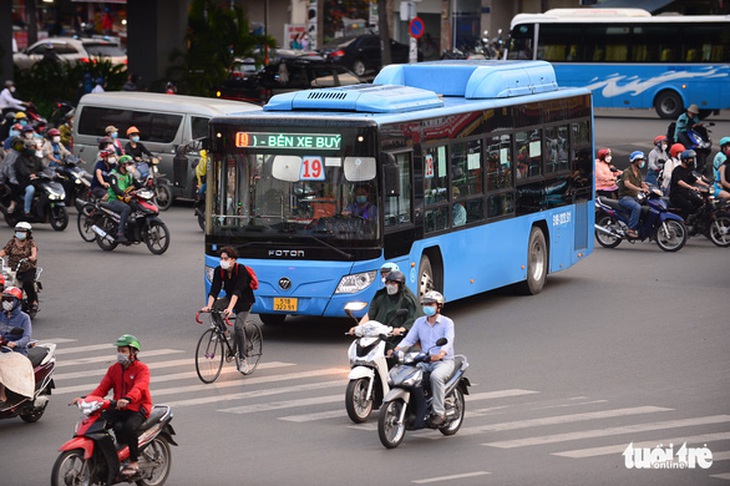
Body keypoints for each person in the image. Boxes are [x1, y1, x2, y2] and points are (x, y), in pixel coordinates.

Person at [72, 335, 152, 478]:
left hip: (137, 408)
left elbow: (140, 387)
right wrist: (86, 399)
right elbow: (102, 389)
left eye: (124, 351)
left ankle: (134, 461)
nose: (120, 354)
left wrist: (128, 398)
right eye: (119, 351)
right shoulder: (114, 369)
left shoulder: (142, 369)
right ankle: (110, 454)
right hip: (118, 407)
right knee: (97, 423)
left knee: (128, 427)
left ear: (133, 352)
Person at [393, 290, 454, 426]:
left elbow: (449, 341)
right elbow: (409, 339)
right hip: (424, 360)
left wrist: (441, 354)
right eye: (425, 304)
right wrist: (396, 350)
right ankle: (414, 409)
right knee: (408, 376)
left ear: (439, 306)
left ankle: (439, 413)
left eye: (431, 304)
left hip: (443, 362)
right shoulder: (419, 322)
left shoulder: (447, 323)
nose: (427, 306)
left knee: (436, 377)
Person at [201, 246, 256, 373]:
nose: (223, 261)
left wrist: (230, 308)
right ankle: (225, 332)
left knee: (238, 327)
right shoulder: (219, 270)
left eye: (226, 258)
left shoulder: (241, 270)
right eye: (221, 258)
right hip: (229, 297)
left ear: (233, 260)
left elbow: (238, 291)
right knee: (214, 310)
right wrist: (208, 306)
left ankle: (243, 359)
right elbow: (214, 290)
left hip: (244, 300)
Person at [349, 270, 422, 355]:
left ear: (400, 285)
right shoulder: (381, 296)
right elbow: (370, 314)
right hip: (378, 334)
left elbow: (414, 317)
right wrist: (358, 327)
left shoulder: (407, 299)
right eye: (388, 282)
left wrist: (402, 329)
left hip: (397, 336)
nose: (390, 285)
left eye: (393, 283)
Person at [0, 286, 33, 407]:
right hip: (2, 348)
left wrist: (15, 343)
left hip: (16, 352)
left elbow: (27, 337)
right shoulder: (1, 315)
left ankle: (2, 395)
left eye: (10, 300)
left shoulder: (24, 318)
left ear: (17, 301)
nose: (6, 303)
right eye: (4, 299)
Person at [0, 222, 39, 312]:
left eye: (23, 231)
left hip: (27, 268)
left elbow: (34, 253)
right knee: (2, 282)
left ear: (28, 233)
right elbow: (4, 251)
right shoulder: (12, 242)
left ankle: (32, 301)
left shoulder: (31, 243)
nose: (20, 233)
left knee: (27, 282)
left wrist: (32, 257)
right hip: (12, 269)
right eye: (18, 231)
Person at [107, 155, 140, 242]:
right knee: (126, 208)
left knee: (137, 206)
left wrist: (146, 187)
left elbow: (136, 183)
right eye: (128, 164)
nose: (130, 166)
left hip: (125, 198)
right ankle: (120, 232)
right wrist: (122, 193)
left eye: (131, 164)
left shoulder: (129, 175)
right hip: (114, 199)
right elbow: (115, 188)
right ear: (122, 165)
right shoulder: (114, 174)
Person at [617, 151, 650, 238]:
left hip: (634, 197)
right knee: (637, 207)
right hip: (625, 198)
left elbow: (642, 183)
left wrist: (648, 188)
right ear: (635, 161)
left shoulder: (638, 172)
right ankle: (630, 229)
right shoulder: (627, 172)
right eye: (641, 160)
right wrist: (639, 189)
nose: (642, 162)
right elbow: (627, 184)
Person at [670, 149, 710, 220]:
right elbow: (679, 181)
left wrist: (707, 185)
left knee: (699, 202)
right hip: (676, 195)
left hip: (686, 193)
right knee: (688, 206)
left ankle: (695, 220)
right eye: (691, 159)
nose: (693, 161)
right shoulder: (677, 170)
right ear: (685, 160)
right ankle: (683, 221)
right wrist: (691, 187)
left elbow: (695, 179)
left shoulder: (688, 170)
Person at [16, 139, 44, 218]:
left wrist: (53, 173)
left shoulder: (37, 159)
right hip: (25, 182)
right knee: (30, 190)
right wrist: (30, 175)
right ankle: (27, 211)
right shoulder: (21, 159)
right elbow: (23, 170)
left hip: (37, 181)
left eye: (33, 147)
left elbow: (44, 168)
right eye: (30, 147)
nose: (32, 149)